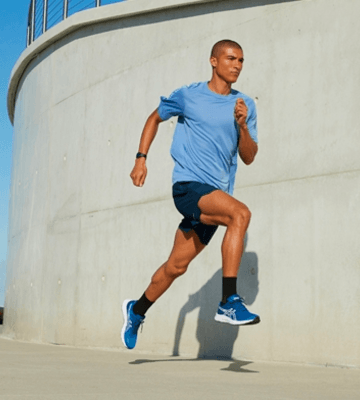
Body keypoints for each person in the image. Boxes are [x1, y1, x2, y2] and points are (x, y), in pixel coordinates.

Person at [121, 39, 259, 350]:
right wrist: (141, 159)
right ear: (213, 61)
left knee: (176, 266)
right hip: (187, 187)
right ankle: (229, 300)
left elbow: (249, 157)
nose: (237, 65)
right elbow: (154, 118)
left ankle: (136, 310)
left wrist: (243, 126)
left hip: (215, 195)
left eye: (241, 60)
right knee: (241, 214)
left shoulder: (244, 105)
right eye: (231, 58)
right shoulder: (189, 95)